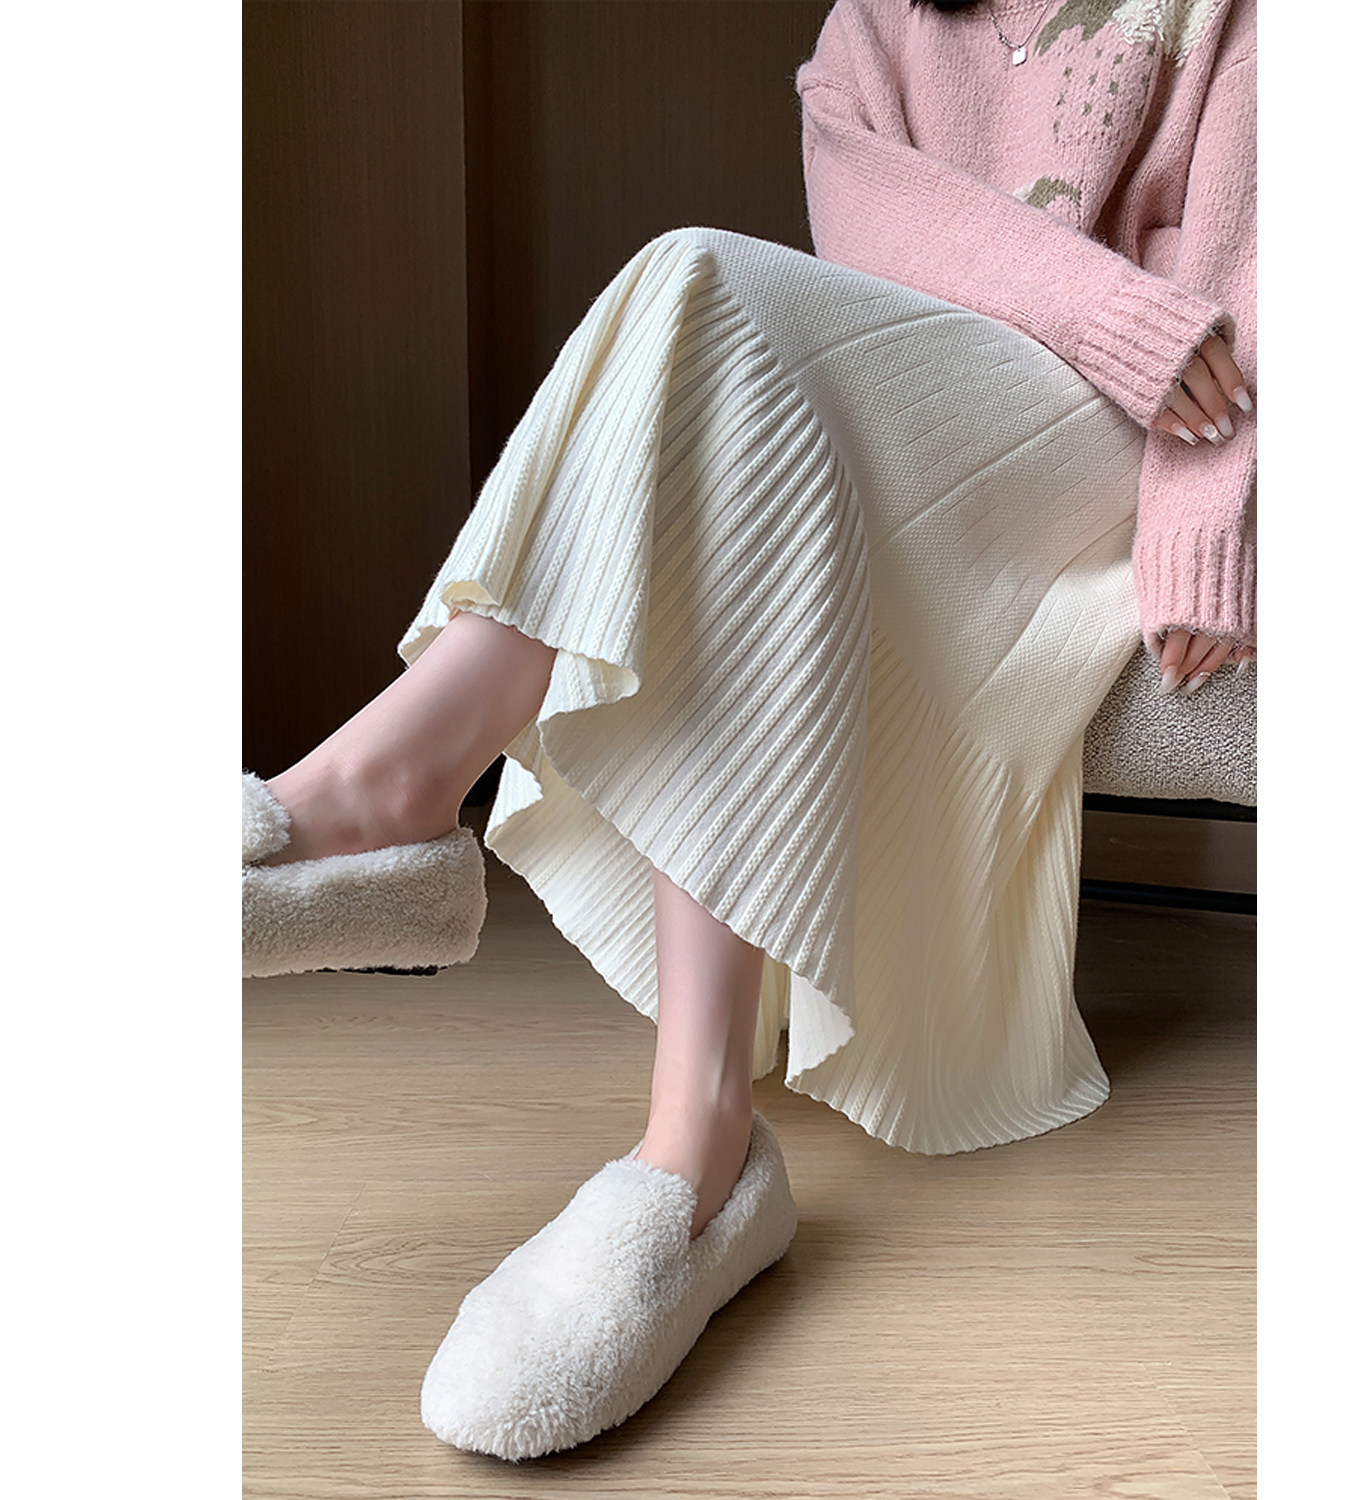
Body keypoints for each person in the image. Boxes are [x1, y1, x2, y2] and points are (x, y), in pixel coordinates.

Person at [242, 0, 1255, 1463]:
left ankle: (391, 800)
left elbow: (1256, 269)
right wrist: (1107, 310)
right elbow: (868, 222)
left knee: (702, 293)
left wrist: (1206, 521)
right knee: (713, 345)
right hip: (932, 399)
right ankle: (697, 1146)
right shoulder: (884, 20)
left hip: (1117, 443)